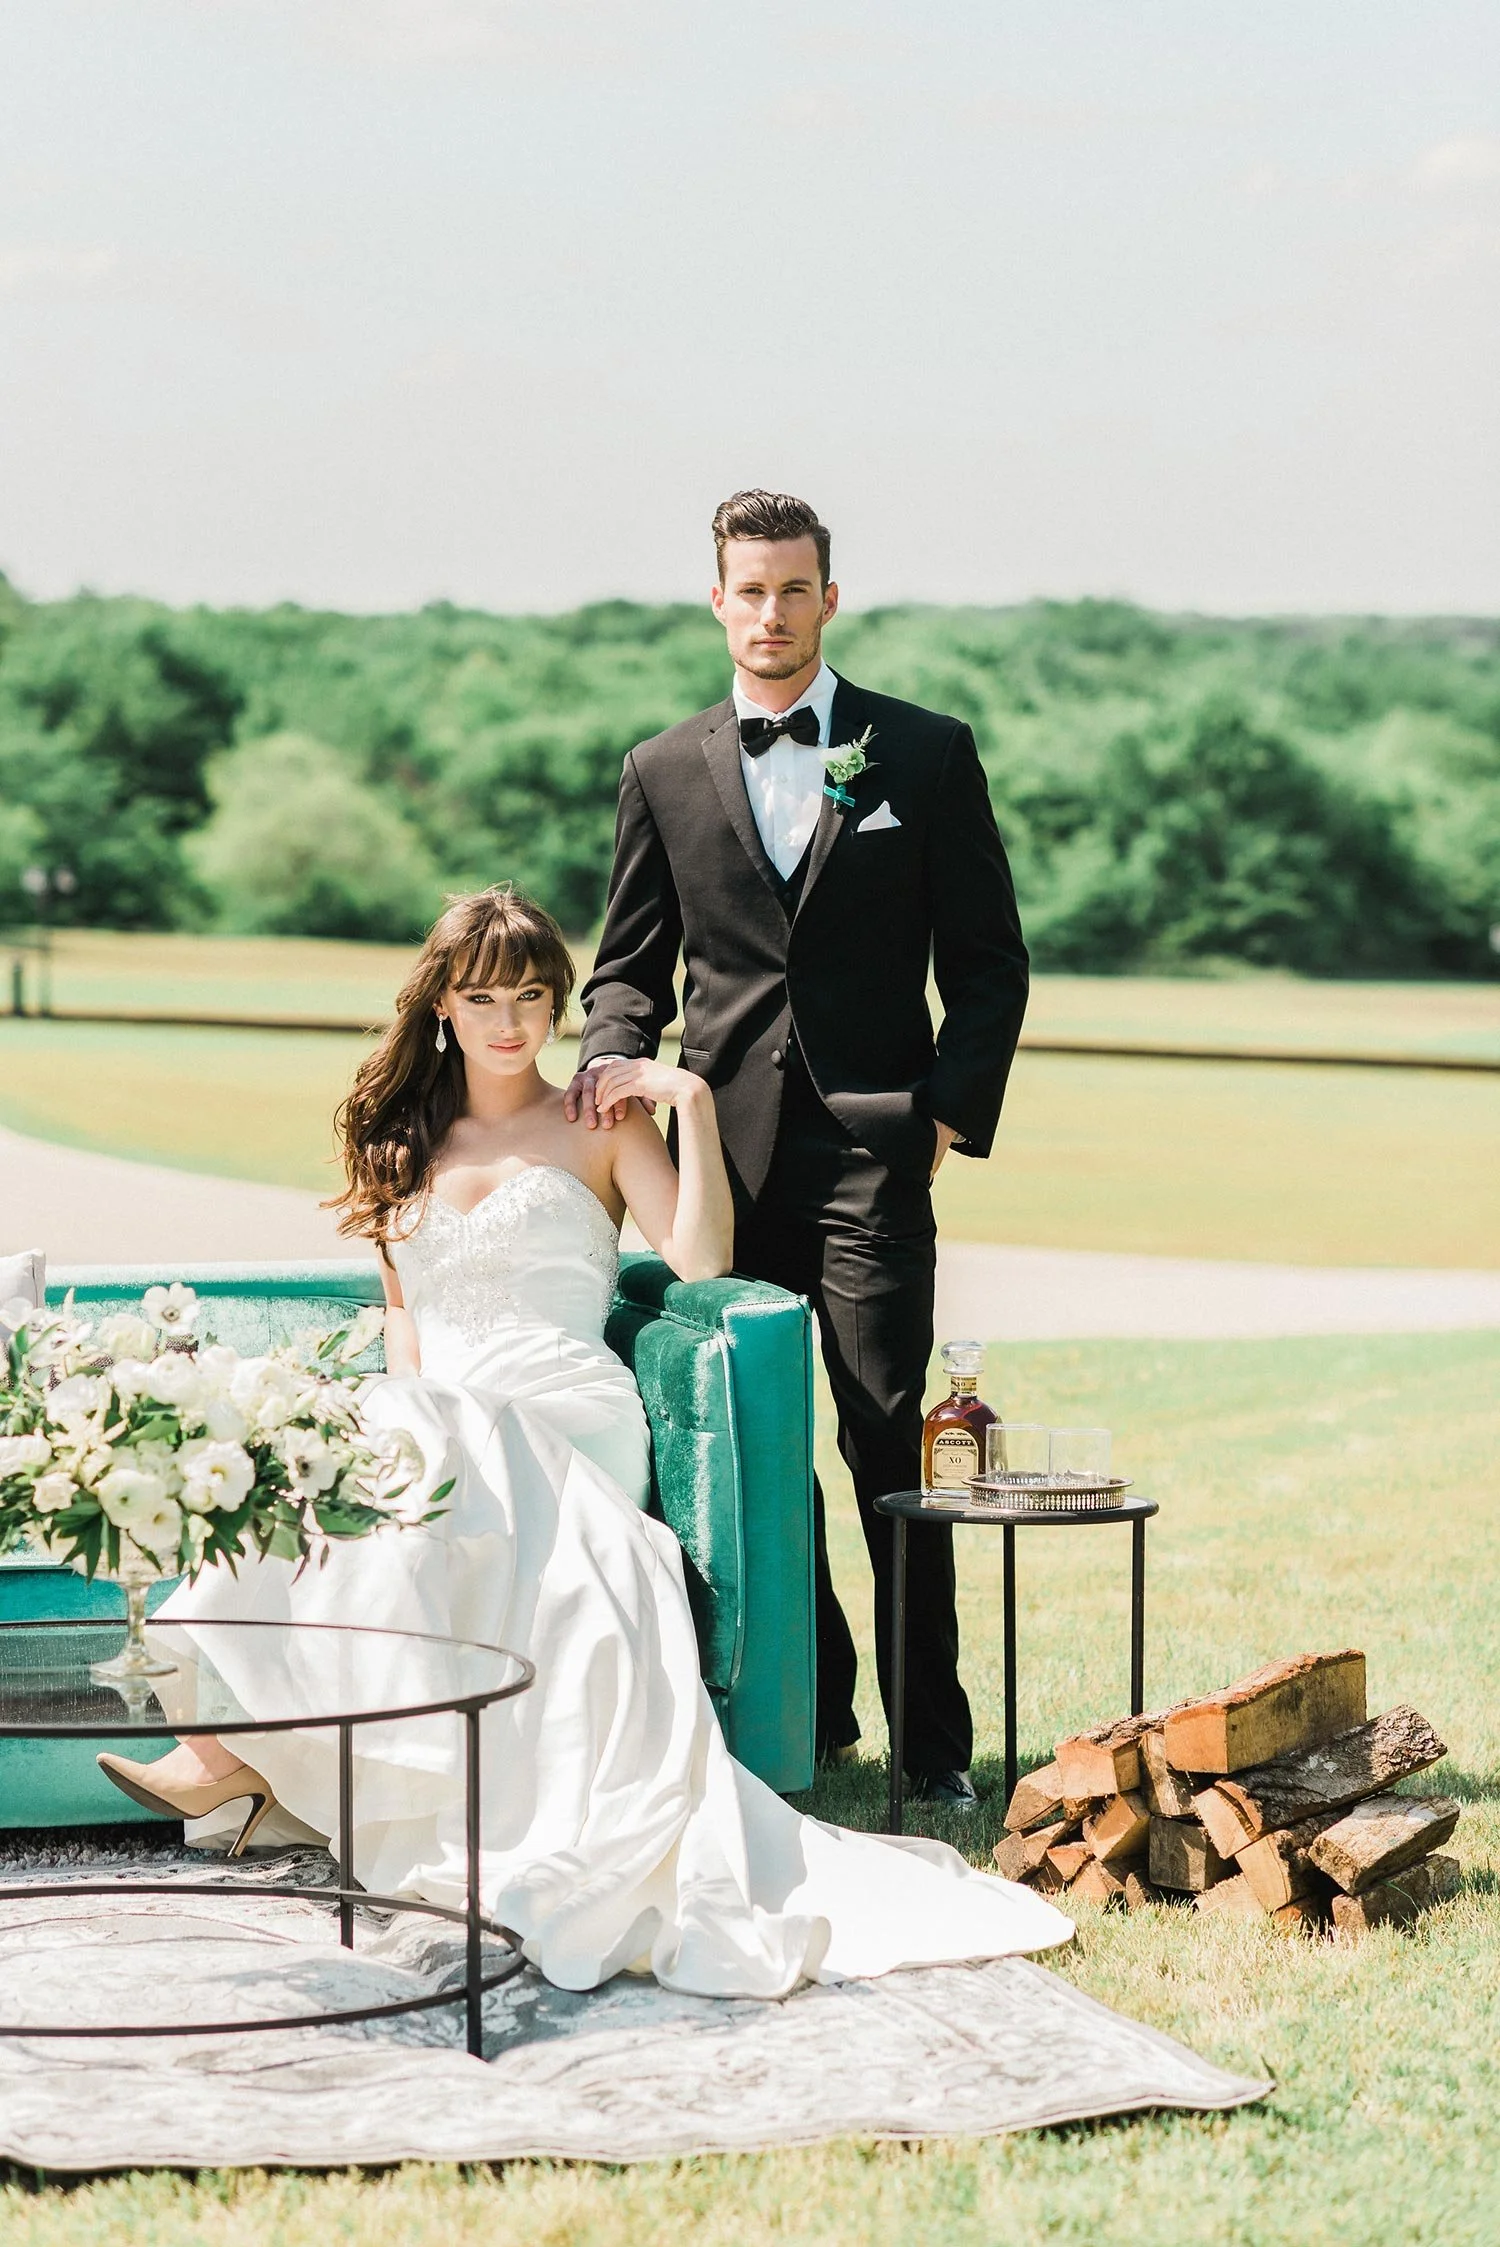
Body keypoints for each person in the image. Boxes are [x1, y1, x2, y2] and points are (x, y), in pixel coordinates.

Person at [97, 886, 1069, 1999]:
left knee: (438, 1437)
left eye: (531, 996)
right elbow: (407, 1322)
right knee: (365, 1443)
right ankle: (256, 1752)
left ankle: (225, 1758)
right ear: (442, 1010)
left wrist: (689, 1102)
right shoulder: (396, 1136)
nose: (510, 1022)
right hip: (444, 1422)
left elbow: (701, 1261)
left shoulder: (600, 1124)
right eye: (482, 998)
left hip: (568, 1414)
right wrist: (391, 1420)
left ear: (558, 1004)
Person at [568, 491, 1029, 1806]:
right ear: (716, 598)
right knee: (756, 1451)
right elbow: (628, 968)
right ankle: (814, 1714)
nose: (769, 613)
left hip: (875, 1159)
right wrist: (610, 1072)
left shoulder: (924, 755)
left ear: (831, 596)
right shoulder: (662, 766)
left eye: (792, 589)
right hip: (722, 1171)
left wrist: (943, 1113)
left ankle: (934, 1748)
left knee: (891, 1449)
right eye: (747, 590)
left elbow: (990, 964)